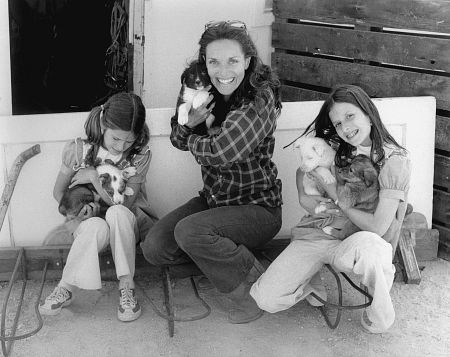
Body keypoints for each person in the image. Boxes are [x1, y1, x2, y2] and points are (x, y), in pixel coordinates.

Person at [141, 20, 283, 324]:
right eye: (213, 61)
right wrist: (189, 129)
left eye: (232, 61)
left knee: (189, 231)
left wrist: (191, 132)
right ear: (204, 62)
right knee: (155, 248)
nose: (223, 71)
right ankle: (238, 262)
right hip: (216, 201)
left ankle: (251, 291)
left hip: (256, 208)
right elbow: (175, 137)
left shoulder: (259, 97)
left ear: (247, 61)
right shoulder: (199, 84)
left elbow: (220, 153)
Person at [250, 84, 411, 333]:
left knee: (374, 250)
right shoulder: (338, 147)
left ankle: (379, 314)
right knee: (267, 298)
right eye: (337, 123)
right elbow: (305, 168)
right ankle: (311, 283)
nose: (345, 128)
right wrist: (305, 194)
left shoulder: (394, 161)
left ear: (368, 112)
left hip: (357, 239)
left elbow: (378, 227)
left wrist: (335, 193)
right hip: (318, 233)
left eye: (350, 116)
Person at [39, 92, 157, 322]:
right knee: (94, 225)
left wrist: (93, 179)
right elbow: (59, 194)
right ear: (103, 124)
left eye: (129, 141)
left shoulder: (139, 157)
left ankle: (126, 287)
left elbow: (125, 204)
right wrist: (80, 213)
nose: (121, 146)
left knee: (116, 213)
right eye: (116, 138)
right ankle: (66, 286)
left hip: (124, 225)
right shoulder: (80, 150)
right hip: (92, 226)